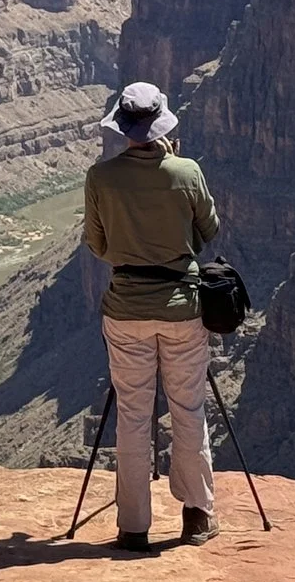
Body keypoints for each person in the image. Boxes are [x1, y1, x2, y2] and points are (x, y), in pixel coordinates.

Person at [82, 81, 218, 550]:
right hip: (182, 309)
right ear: (162, 123)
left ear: (122, 128)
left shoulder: (101, 177)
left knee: (135, 417)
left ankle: (133, 527)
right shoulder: (187, 170)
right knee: (188, 410)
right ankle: (197, 517)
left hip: (125, 312)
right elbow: (208, 230)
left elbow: (97, 246)